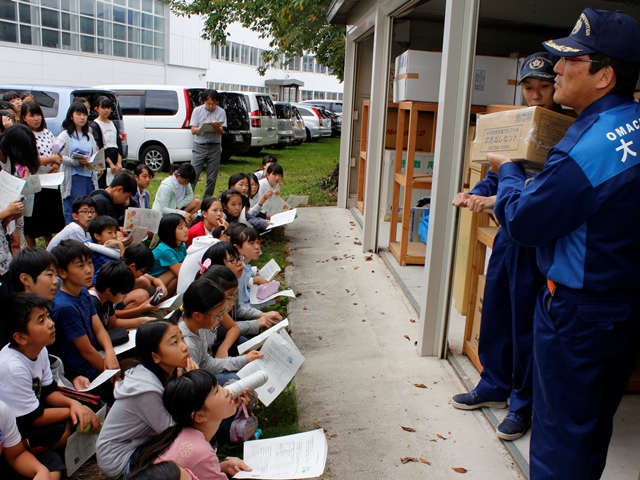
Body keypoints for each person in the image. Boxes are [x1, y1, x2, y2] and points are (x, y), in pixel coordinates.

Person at [487, 9, 640, 479]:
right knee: (591, 428)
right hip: (623, 309)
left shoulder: (588, 149)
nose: (555, 70)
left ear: (604, 75)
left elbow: (525, 223)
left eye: (570, 60)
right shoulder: (631, 124)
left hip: (578, 317)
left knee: (559, 443)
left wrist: (509, 172)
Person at [450, 52, 558, 441]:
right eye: (529, 87)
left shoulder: (564, 130)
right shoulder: (519, 124)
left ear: (556, 87)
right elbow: (498, 173)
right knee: (496, 309)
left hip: (539, 240)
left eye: (544, 87)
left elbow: (548, 192)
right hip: (508, 235)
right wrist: (476, 192)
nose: (536, 95)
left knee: (527, 322)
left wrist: (497, 200)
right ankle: (494, 383)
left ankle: (523, 401)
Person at [0, 293, 100, 453]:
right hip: (19, 424)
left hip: (35, 407)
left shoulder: (40, 350)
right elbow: (33, 418)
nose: (51, 324)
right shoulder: (13, 368)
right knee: (58, 432)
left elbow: (48, 391)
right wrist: (72, 411)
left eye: (48, 316)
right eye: (41, 320)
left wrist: (74, 404)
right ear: (20, 337)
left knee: (93, 405)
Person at [96, 320, 197, 478]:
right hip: (120, 458)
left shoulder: (161, 373)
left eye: (182, 338)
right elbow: (172, 432)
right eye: (174, 343)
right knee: (187, 450)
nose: (185, 347)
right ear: (155, 356)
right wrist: (193, 390)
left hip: (140, 442)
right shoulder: (146, 390)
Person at [130, 370, 251, 479]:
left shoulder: (181, 434)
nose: (226, 391)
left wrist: (220, 467)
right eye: (216, 392)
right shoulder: (202, 452)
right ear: (199, 416)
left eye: (219, 386)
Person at [168, 278, 262, 386]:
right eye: (218, 315)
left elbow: (207, 362)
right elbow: (194, 384)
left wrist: (244, 359)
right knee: (233, 380)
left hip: (200, 373)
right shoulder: (188, 345)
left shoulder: (197, 326)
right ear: (197, 316)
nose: (221, 318)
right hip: (194, 385)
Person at [49, 240, 119, 383]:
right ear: (62, 272)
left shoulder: (83, 291)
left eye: (90, 263)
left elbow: (99, 329)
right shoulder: (65, 307)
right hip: (83, 372)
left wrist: (110, 352)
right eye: (80, 266)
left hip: (97, 357)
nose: (89, 270)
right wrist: (111, 375)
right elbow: (86, 350)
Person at [21, 101, 65, 248]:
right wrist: (51, 159)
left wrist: (55, 163)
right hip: (34, 181)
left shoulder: (47, 133)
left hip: (51, 180)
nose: (36, 118)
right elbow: (29, 159)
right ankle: (32, 248)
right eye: (31, 115)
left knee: (49, 218)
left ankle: (50, 246)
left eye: (38, 114)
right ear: (24, 118)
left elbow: (57, 153)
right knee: (32, 219)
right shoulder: (25, 135)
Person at [0, 399, 65, 480]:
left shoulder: (2, 410)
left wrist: (41, 470)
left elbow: (16, 455)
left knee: (51, 461)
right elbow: (35, 418)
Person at [57, 102, 99, 224]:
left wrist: (92, 162)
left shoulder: (89, 136)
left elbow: (95, 154)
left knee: (89, 209)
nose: (82, 118)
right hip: (73, 178)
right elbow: (58, 156)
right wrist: (76, 162)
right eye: (78, 114)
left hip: (89, 177)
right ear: (71, 116)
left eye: (84, 115)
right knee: (75, 210)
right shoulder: (65, 135)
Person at [190, 89, 227, 197]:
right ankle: (188, 199)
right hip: (199, 146)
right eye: (208, 103)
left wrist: (216, 127)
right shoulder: (197, 111)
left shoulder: (221, 112)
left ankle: (207, 200)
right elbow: (193, 130)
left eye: (214, 103)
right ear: (204, 102)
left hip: (214, 147)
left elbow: (221, 131)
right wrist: (202, 128)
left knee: (211, 178)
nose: (211, 106)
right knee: (193, 175)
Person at [149, 213, 189, 296]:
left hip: (164, 277)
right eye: (180, 228)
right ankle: (160, 303)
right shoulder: (165, 251)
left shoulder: (182, 245)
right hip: (153, 283)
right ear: (169, 232)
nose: (185, 230)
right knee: (178, 276)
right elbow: (181, 273)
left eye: (185, 226)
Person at [92, 96, 124, 189]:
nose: (106, 110)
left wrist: (119, 162)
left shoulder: (113, 124)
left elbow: (119, 144)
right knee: (104, 186)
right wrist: (110, 163)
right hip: (104, 157)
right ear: (97, 108)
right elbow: (99, 146)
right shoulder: (95, 125)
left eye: (108, 108)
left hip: (115, 154)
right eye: (103, 107)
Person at [87, 215, 125, 281]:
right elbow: (122, 269)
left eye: (115, 232)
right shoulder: (96, 252)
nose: (114, 236)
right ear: (97, 236)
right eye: (110, 232)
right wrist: (121, 246)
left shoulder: (106, 245)